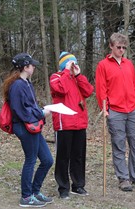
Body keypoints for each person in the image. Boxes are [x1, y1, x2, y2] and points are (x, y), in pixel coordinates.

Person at [95, 33, 135, 192]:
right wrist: (105, 109)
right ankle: (123, 178)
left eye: (124, 47)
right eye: (118, 47)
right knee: (119, 145)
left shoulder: (129, 64)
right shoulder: (103, 65)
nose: (121, 50)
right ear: (111, 46)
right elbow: (101, 89)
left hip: (133, 110)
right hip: (115, 111)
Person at [2, 53, 54, 207]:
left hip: (32, 126)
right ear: (25, 67)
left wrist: (41, 111)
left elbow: (30, 106)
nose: (34, 67)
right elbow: (20, 111)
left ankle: (35, 191)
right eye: (32, 65)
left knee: (47, 160)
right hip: (24, 127)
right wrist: (41, 113)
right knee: (31, 160)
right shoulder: (17, 85)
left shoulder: (26, 83)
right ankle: (26, 197)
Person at [49, 52, 94, 199]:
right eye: (70, 63)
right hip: (64, 124)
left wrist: (78, 75)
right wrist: (66, 73)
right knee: (63, 157)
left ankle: (78, 185)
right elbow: (61, 89)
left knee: (78, 156)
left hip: (79, 123)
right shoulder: (56, 77)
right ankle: (63, 187)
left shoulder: (77, 78)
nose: (73, 65)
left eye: (74, 63)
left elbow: (88, 91)